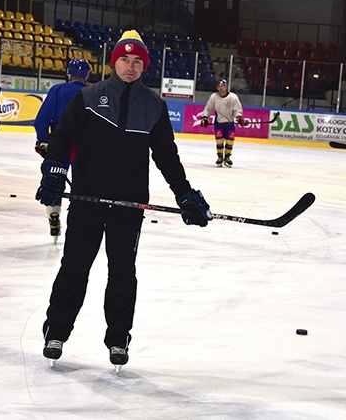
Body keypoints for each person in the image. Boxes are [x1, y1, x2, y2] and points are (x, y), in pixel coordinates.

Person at [35, 29, 212, 370]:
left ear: (143, 67)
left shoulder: (154, 106)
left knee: (122, 273)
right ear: (114, 62)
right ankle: (55, 332)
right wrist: (54, 175)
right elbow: (61, 140)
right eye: (124, 60)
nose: (130, 67)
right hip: (88, 201)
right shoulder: (89, 97)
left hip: (129, 207)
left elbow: (167, 157)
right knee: (74, 267)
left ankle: (118, 338)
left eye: (136, 62)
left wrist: (185, 194)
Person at [34, 58, 90, 241]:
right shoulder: (92, 92)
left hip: (60, 142)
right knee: (84, 188)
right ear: (87, 75)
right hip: (85, 144)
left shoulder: (57, 90)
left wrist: (43, 140)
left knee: (53, 182)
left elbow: (41, 119)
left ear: (69, 73)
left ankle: (54, 215)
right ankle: (81, 224)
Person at [200, 79, 244, 167]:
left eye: (222, 86)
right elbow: (208, 108)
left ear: (226, 87)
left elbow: (237, 109)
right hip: (219, 122)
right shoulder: (214, 97)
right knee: (219, 141)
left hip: (230, 122)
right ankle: (220, 157)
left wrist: (239, 117)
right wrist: (205, 117)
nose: (221, 88)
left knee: (230, 141)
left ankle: (227, 157)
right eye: (219, 87)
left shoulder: (233, 97)